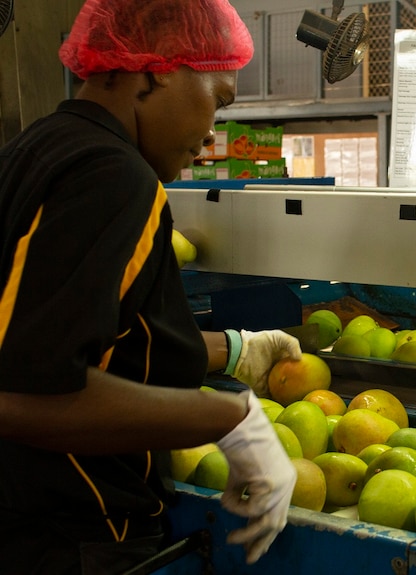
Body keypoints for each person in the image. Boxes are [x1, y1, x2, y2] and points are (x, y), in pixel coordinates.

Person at [0, 1, 300, 572]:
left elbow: (77, 330)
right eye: (219, 98)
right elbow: (24, 393)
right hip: (67, 536)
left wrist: (233, 349)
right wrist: (231, 421)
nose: (213, 130)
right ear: (158, 69)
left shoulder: (35, 151)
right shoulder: (114, 177)